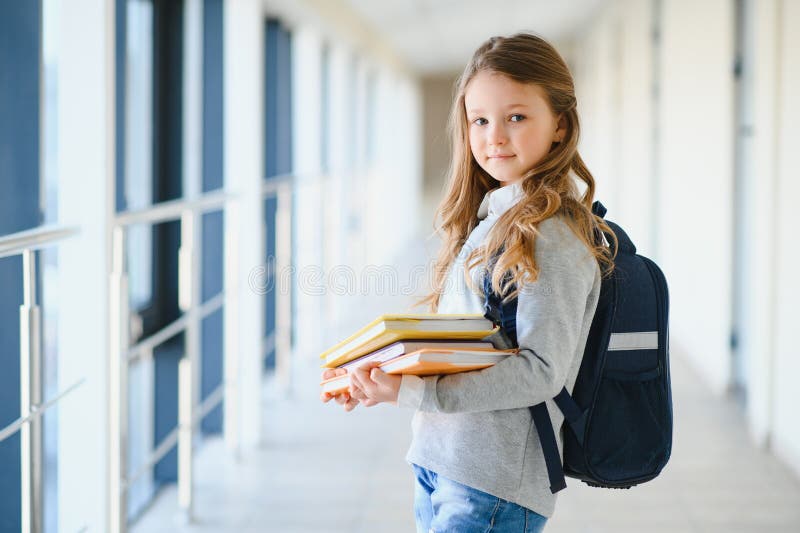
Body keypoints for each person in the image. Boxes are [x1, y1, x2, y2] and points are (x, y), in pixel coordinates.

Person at [321, 32, 616, 532]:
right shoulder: (494, 219)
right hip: (443, 462)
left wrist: (412, 393)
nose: (494, 136)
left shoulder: (554, 237)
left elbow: (541, 371)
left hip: (493, 484)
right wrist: (382, 376)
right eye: (479, 120)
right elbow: (467, 343)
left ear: (560, 126)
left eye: (516, 117)